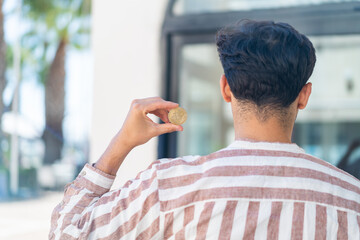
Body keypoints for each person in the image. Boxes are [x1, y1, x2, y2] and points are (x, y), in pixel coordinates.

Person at [49, 20, 360, 239]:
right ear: (304, 96)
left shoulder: (169, 187)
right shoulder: (352, 200)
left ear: (225, 88)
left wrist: (121, 143)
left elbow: (66, 234)